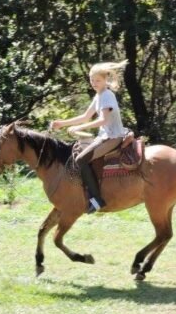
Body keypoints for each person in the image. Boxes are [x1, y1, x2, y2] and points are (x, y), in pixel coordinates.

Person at [50, 60, 128, 213]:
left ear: (106, 80)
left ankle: (97, 199)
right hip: (104, 136)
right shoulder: (99, 95)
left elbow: (103, 120)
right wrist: (62, 123)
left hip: (113, 137)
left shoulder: (107, 96)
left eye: (97, 80)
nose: (94, 83)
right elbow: (86, 116)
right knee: (79, 156)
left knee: (80, 160)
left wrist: (79, 127)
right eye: (92, 80)